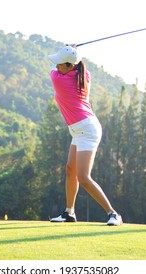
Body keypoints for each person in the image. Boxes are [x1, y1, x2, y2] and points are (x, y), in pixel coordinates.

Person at [48, 45, 122, 226]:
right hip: (80, 129)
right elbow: (79, 65)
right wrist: (74, 53)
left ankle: (113, 214)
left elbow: (52, 72)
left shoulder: (59, 80)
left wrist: (72, 50)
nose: (56, 67)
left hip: (87, 130)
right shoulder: (83, 76)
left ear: (70, 66)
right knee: (70, 170)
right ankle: (69, 212)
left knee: (83, 176)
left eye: (60, 64)